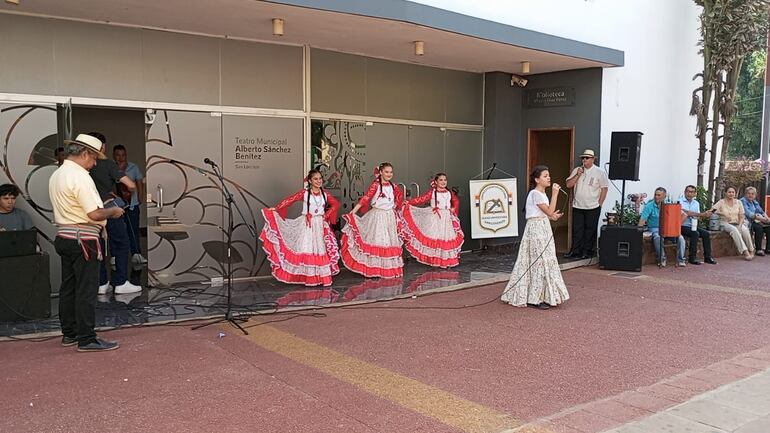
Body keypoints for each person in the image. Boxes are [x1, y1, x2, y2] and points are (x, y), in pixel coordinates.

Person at [49, 133, 124, 352]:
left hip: (65, 236)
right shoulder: (80, 176)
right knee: (86, 290)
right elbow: (94, 213)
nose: (94, 164)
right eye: (94, 159)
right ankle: (87, 338)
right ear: (84, 154)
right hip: (83, 239)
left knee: (69, 288)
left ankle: (70, 333)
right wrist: (114, 211)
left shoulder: (58, 173)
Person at [501, 165, 569, 309]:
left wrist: (553, 216)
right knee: (538, 261)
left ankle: (543, 295)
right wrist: (555, 194)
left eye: (548, 175)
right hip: (536, 230)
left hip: (543, 227)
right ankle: (534, 297)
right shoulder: (535, 193)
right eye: (545, 176)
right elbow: (549, 210)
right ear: (537, 179)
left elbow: (546, 213)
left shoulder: (541, 194)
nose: (548, 178)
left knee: (545, 260)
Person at [260, 169, 341, 286]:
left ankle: (320, 277)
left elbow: (336, 204)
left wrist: (326, 215)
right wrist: (277, 208)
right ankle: (308, 277)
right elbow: (290, 200)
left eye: (320, 178)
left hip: (319, 224)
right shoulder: (305, 193)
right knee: (307, 248)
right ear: (310, 181)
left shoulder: (325, 194)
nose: (319, 181)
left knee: (320, 249)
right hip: (307, 224)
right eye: (315, 179)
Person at [87, 132, 139, 295]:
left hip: (91, 210)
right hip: (109, 209)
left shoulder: (83, 166)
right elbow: (131, 185)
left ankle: (101, 283)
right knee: (121, 244)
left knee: (99, 248)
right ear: (103, 146)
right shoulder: (109, 164)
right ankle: (121, 282)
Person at [341, 162, 404, 278]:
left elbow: (400, 196)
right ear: (380, 172)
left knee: (388, 241)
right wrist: (353, 212)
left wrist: (396, 206)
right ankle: (376, 269)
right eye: (386, 172)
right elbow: (366, 198)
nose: (389, 174)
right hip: (378, 216)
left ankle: (386, 268)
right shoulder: (376, 185)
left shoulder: (393, 186)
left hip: (389, 216)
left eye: (391, 172)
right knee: (379, 240)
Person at [399, 172, 464, 268]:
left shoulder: (449, 192)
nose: (443, 182)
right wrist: (409, 202)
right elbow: (421, 199)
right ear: (436, 182)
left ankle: (446, 260)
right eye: (441, 180)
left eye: (445, 180)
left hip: (446, 218)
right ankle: (436, 260)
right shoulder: (433, 192)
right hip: (435, 218)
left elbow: (455, 201)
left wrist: (454, 208)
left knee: (446, 238)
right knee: (436, 238)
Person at [564, 149, 608, 259]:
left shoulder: (599, 172)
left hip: (593, 206)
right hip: (578, 205)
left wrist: (600, 203)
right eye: (583, 158)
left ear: (593, 159)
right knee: (577, 229)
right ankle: (575, 251)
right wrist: (577, 175)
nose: (584, 160)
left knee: (590, 230)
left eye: (587, 158)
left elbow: (604, 189)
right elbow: (569, 185)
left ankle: (587, 252)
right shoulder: (577, 170)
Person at [113, 144, 147, 265]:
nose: (121, 158)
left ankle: (136, 254)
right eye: (118, 155)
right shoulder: (111, 168)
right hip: (115, 206)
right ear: (114, 156)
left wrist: (140, 196)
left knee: (133, 229)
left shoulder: (133, 167)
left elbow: (139, 182)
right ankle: (114, 256)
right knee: (116, 231)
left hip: (132, 204)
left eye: (123, 155)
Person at [638, 187, 687, 267]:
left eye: (659, 195)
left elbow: (684, 215)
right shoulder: (649, 206)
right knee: (657, 237)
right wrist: (638, 231)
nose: (656, 197)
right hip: (655, 228)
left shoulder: (669, 204)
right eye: (655, 195)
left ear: (664, 196)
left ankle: (681, 260)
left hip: (668, 228)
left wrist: (676, 226)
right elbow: (642, 219)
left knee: (680, 238)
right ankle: (662, 259)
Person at [712, 186, 754, 261]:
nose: (731, 194)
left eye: (733, 192)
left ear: (735, 193)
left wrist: (740, 225)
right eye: (729, 192)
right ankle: (745, 251)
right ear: (725, 193)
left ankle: (751, 250)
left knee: (744, 230)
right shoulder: (721, 202)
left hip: (737, 222)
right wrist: (723, 214)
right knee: (734, 230)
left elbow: (742, 215)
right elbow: (712, 210)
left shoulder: (738, 202)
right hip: (725, 223)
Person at [679, 185, 717, 265]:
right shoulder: (679, 202)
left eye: (692, 192)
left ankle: (708, 257)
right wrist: (702, 214)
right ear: (685, 192)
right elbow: (686, 212)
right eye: (688, 192)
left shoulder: (696, 203)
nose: (689, 194)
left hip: (693, 225)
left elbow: (697, 215)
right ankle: (692, 258)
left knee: (706, 234)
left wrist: (706, 215)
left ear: (695, 194)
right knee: (695, 233)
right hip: (682, 225)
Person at [741, 186, 770, 256]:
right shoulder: (743, 201)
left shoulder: (754, 202)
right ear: (745, 194)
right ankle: (758, 249)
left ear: (755, 195)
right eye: (749, 193)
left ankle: (768, 248)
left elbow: (761, 211)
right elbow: (749, 214)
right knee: (759, 227)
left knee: (769, 227)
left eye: (752, 194)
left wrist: (767, 219)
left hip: (756, 220)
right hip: (747, 221)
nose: (750, 195)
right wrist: (763, 219)